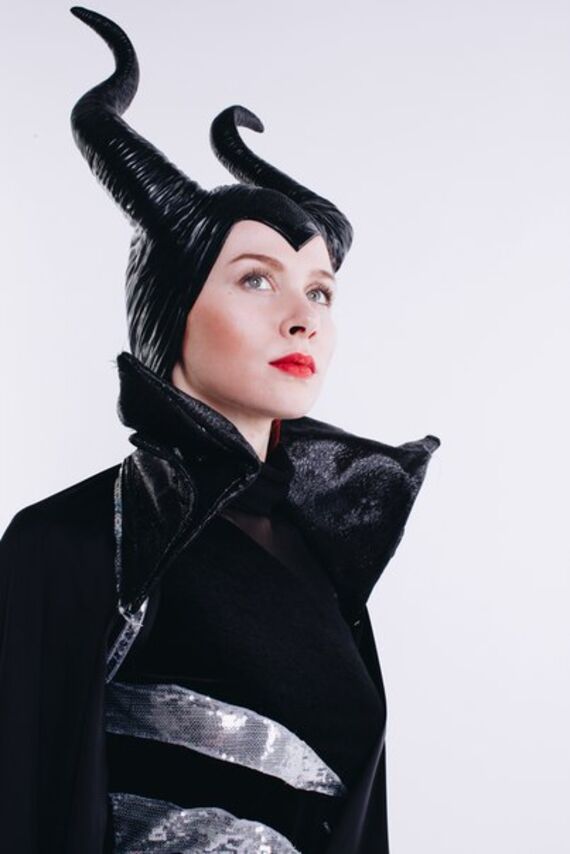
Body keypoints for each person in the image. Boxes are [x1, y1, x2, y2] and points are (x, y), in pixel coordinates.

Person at [0, 7, 441, 853]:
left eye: (319, 291)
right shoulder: (71, 542)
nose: (303, 317)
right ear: (172, 310)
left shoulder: (320, 548)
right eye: (256, 280)